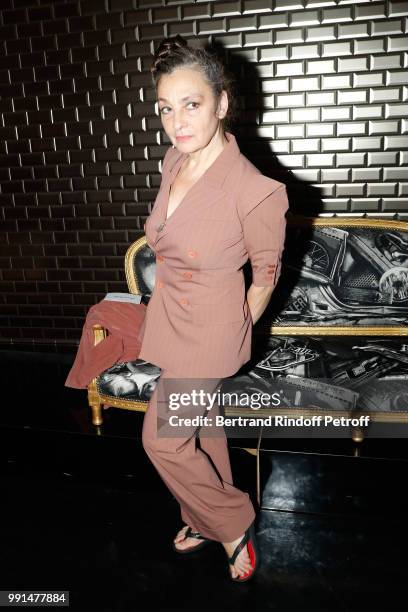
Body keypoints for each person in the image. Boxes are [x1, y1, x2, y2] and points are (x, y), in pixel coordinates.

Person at [138, 35, 289, 582]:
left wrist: (231, 331)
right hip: (171, 320)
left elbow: (265, 277)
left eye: (192, 104)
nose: (177, 121)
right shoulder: (173, 160)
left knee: (162, 439)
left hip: (210, 334)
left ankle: (231, 521)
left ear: (223, 103)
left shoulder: (255, 189)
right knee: (201, 427)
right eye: (166, 107)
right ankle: (201, 515)